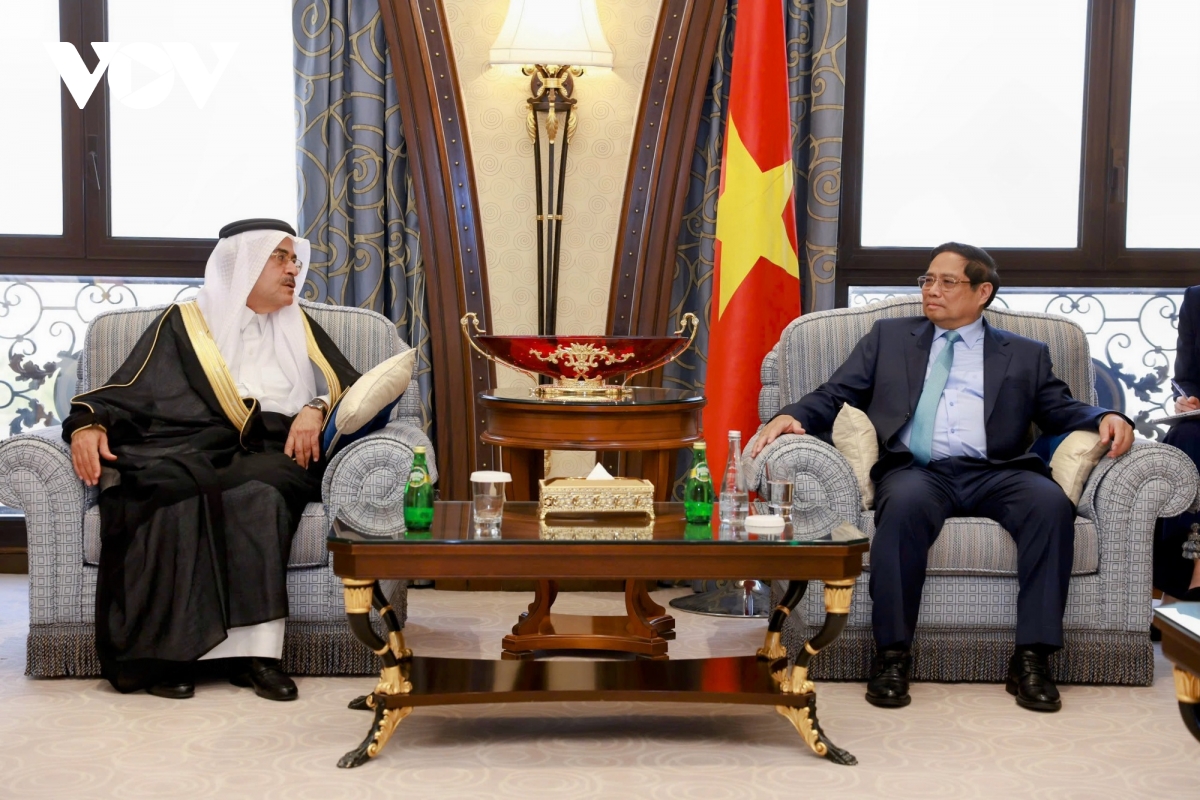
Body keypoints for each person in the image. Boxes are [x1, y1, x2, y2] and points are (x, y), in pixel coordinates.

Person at [751, 242, 1134, 713]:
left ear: (982, 292)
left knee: (1050, 505)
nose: (931, 290)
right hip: (917, 470)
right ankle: (892, 656)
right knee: (901, 510)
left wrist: (1106, 416)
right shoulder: (889, 338)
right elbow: (836, 392)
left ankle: (1032, 659)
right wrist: (792, 415)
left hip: (998, 471)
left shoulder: (1025, 353)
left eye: (947, 282)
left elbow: (1059, 408)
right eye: (927, 280)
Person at [65, 219, 360, 701]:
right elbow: (129, 388)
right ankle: (168, 655)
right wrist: (89, 422)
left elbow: (355, 387)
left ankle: (257, 659)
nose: (294, 269)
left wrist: (316, 406)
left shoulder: (302, 325)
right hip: (193, 445)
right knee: (169, 490)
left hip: (273, 450)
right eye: (280, 258)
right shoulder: (185, 323)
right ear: (244, 263)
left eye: (295, 260)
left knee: (261, 492)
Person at [1155, 285, 1200, 603]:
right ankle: (1192, 567)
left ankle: (1187, 582)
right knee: (1186, 436)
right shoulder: (1196, 299)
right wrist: (1187, 399)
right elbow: (1186, 376)